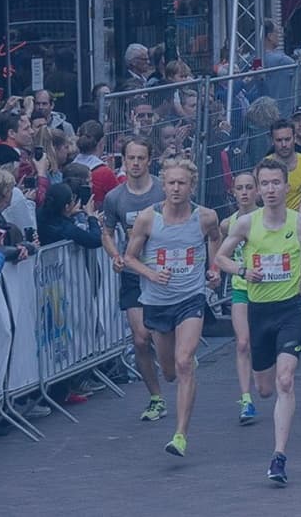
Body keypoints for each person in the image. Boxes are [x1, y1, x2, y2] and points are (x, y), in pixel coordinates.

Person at [214, 157, 301, 486]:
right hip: (259, 310)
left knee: (286, 380)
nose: (270, 189)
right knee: (264, 389)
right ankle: (262, 396)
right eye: (264, 184)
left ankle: (278, 455)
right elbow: (221, 257)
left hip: (290, 310)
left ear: (286, 185)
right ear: (259, 190)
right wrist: (242, 271)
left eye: (275, 182)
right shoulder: (247, 224)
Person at [121, 158, 221, 457]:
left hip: (190, 298)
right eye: (171, 183)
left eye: (182, 183)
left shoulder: (205, 217)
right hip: (157, 301)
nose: (176, 188)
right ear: (163, 186)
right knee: (168, 372)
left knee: (184, 361)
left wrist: (214, 269)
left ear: (192, 186)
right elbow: (129, 257)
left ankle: (180, 435)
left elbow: (216, 239)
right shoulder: (147, 219)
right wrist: (151, 274)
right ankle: (181, 364)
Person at [101, 137, 167, 423]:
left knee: (161, 337)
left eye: (141, 158)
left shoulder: (164, 191)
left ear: (149, 160)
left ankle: (175, 356)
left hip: (164, 273)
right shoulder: (115, 197)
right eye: (131, 158)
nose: (136, 163)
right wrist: (116, 255)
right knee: (140, 339)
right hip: (132, 274)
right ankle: (156, 398)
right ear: (124, 160)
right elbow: (106, 230)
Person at [222, 172, 259, 425]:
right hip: (241, 288)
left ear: (257, 191)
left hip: (269, 289)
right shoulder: (228, 224)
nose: (244, 192)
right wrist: (216, 272)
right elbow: (220, 253)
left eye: (249, 187)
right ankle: (246, 398)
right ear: (233, 192)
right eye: (239, 188)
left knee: (264, 344)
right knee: (243, 343)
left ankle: (272, 382)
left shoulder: (267, 218)